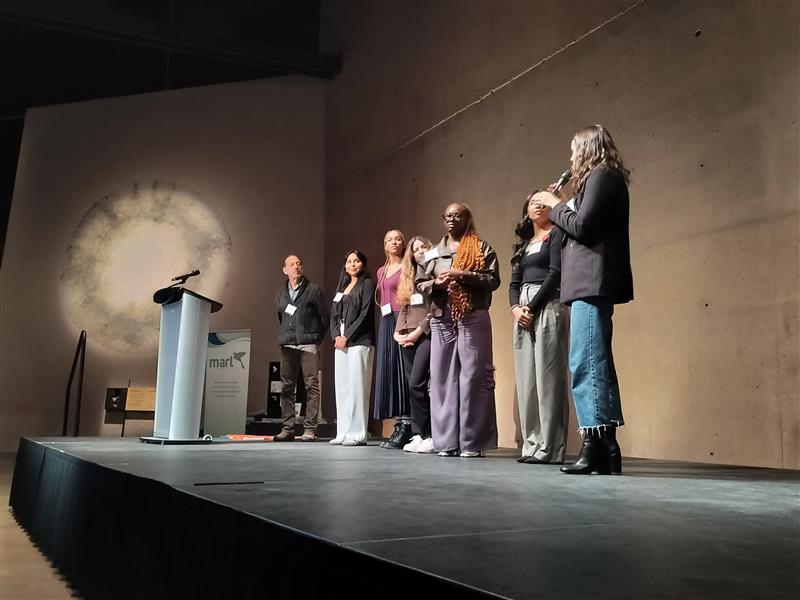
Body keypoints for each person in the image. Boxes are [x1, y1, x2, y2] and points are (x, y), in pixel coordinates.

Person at [533, 124, 633, 475]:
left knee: (585, 363)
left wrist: (556, 206)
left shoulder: (603, 175)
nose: (572, 157)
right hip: (585, 284)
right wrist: (561, 207)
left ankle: (594, 447)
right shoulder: (596, 182)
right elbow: (575, 229)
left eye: (575, 149)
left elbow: (584, 228)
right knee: (595, 362)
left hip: (592, 282)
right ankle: (607, 447)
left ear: (589, 148)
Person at [417, 203, 500, 458]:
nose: (452, 219)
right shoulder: (433, 253)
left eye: (458, 215)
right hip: (442, 318)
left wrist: (462, 275)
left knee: (473, 377)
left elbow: (492, 280)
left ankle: (472, 442)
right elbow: (419, 283)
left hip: (472, 316)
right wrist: (436, 283)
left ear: (467, 218)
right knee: (442, 378)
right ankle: (446, 442)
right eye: (448, 216)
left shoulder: (482, 248)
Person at [509, 195, 570, 463]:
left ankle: (550, 448)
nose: (538, 205)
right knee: (527, 380)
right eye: (533, 201)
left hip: (547, 303)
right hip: (522, 308)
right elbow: (513, 283)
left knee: (549, 378)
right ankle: (531, 444)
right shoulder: (524, 244)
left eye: (543, 201)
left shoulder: (556, 235)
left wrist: (531, 308)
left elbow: (555, 273)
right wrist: (515, 308)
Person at [273, 255, 330, 442]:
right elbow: (282, 318)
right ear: (285, 270)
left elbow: (324, 318)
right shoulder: (280, 293)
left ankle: (310, 429)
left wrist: (316, 338)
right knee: (287, 387)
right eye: (291, 264)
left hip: (308, 344)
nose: (296, 267)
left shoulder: (313, 290)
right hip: (287, 345)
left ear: (302, 268)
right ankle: (287, 428)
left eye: (298, 264)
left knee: (311, 386)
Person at [329, 250, 376, 446]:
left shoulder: (367, 284)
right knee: (342, 389)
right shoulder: (342, 287)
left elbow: (365, 314)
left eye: (356, 261)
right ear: (345, 266)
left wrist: (347, 336)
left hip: (359, 341)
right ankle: (343, 431)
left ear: (363, 264)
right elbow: (333, 315)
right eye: (349, 261)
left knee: (357, 389)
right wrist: (336, 336)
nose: (353, 264)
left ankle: (357, 434)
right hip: (340, 341)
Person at [394, 236, 435, 454]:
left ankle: (430, 434)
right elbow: (404, 307)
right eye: (415, 249)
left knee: (418, 384)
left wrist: (419, 331)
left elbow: (435, 307)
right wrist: (398, 333)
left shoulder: (433, 272)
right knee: (412, 386)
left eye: (423, 247)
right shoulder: (408, 277)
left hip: (426, 334)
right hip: (408, 337)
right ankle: (418, 433)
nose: (419, 251)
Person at [373, 230, 413, 449]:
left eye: (397, 239)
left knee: (402, 370)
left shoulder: (408, 267)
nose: (394, 242)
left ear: (403, 243)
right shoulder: (381, 271)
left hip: (402, 318)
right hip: (386, 321)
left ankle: (408, 423)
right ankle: (399, 423)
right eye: (389, 239)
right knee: (390, 371)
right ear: (385, 245)